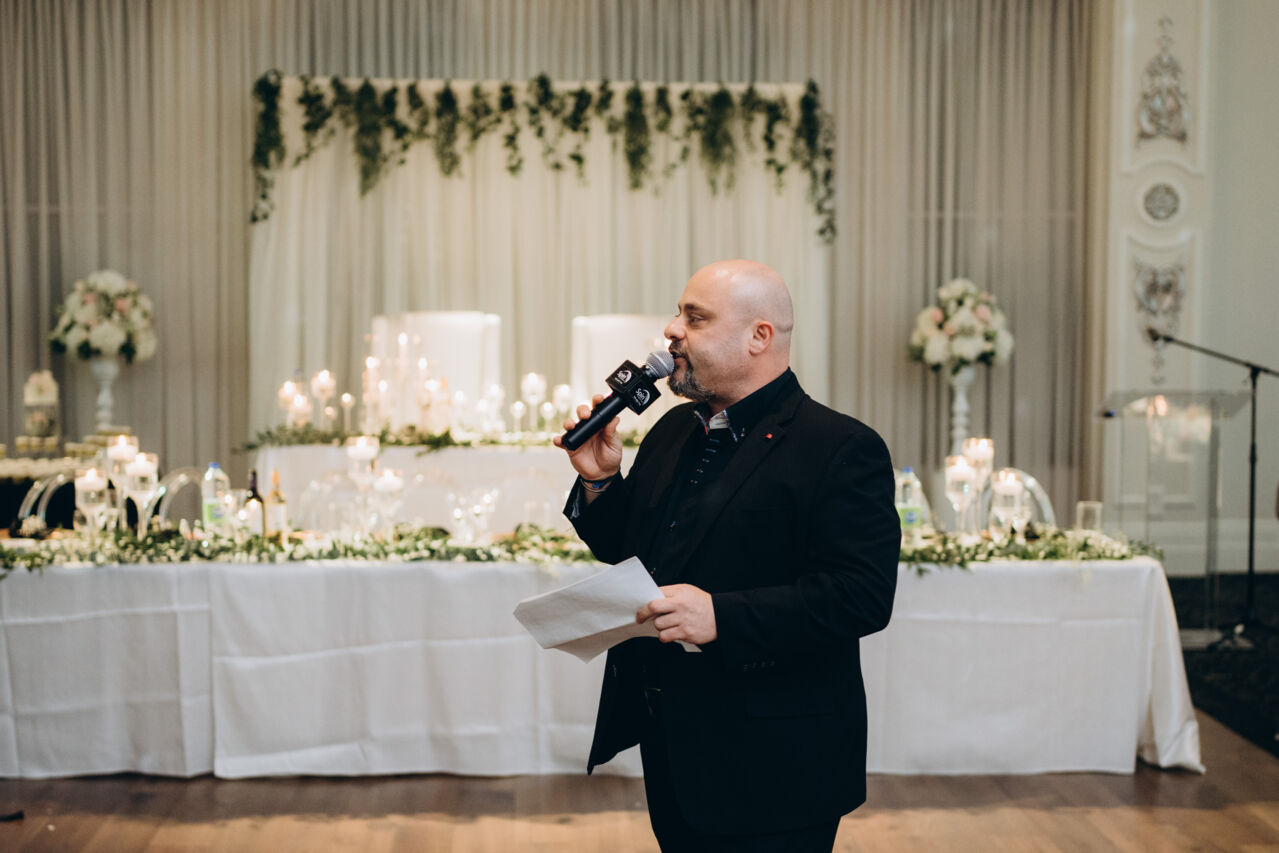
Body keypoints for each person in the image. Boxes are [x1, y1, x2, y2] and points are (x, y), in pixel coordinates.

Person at [554, 259, 901, 851]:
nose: (672, 330)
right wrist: (600, 482)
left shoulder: (840, 446)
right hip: (675, 743)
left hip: (779, 760)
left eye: (695, 318)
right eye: (678, 314)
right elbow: (633, 555)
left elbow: (861, 597)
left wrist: (723, 616)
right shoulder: (673, 430)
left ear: (759, 336)